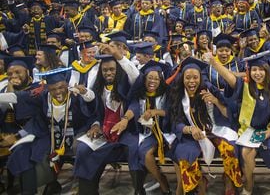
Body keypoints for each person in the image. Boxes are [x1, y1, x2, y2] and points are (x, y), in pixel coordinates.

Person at [204, 51, 270, 195]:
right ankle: (249, 183)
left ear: (267, 71)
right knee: (245, 153)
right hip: (249, 130)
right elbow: (231, 78)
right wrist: (214, 63)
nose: (257, 73)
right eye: (254, 70)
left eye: (261, 69)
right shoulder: (246, 87)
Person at [0, 67, 94, 194]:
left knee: (83, 149)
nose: (58, 92)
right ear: (47, 89)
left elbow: (92, 104)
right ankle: (30, 190)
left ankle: (82, 187)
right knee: (23, 151)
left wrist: (85, 93)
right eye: (53, 89)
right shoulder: (43, 97)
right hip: (50, 135)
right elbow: (20, 97)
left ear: (66, 85)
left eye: (61, 87)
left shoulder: (76, 97)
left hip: (75, 134)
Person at [168, 57, 243, 195]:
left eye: (195, 77)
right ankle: (200, 183)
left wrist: (215, 101)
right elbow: (174, 122)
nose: (192, 81)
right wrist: (189, 129)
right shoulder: (177, 94)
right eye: (188, 78)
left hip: (214, 130)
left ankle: (228, 179)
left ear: (200, 78)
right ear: (182, 79)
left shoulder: (208, 89)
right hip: (190, 135)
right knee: (186, 154)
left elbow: (228, 114)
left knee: (230, 149)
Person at [74, 45, 140, 195]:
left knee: (134, 150)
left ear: (118, 71)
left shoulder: (127, 85)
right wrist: (95, 125)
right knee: (83, 149)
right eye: (105, 70)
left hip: (126, 131)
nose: (108, 73)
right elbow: (96, 113)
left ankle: (139, 189)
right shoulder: (98, 88)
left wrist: (124, 121)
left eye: (112, 69)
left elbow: (135, 81)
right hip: (105, 132)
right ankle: (87, 191)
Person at [128, 60, 173, 195]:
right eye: (150, 78)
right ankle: (150, 182)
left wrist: (155, 112)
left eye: (156, 78)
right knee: (138, 152)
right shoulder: (139, 94)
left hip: (164, 132)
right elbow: (133, 108)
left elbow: (172, 113)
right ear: (144, 79)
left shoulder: (167, 93)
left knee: (145, 153)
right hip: (146, 133)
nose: (153, 81)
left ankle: (162, 182)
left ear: (161, 80)